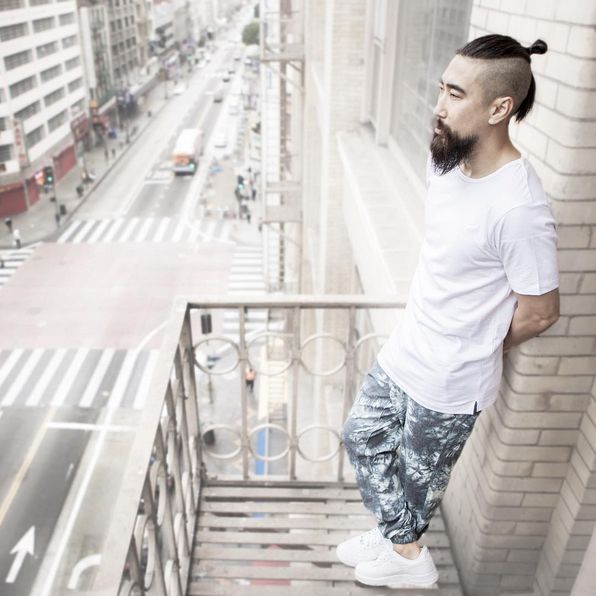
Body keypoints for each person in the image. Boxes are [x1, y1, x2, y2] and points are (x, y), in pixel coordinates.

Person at [337, 35, 560, 589]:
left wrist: (478, 343)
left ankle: (409, 560)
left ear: (499, 108)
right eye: (441, 88)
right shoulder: (445, 162)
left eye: (455, 94)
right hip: (407, 348)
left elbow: (541, 312)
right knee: (361, 436)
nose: (438, 105)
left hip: (451, 380)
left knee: (416, 486)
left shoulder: (520, 208)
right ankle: (398, 541)